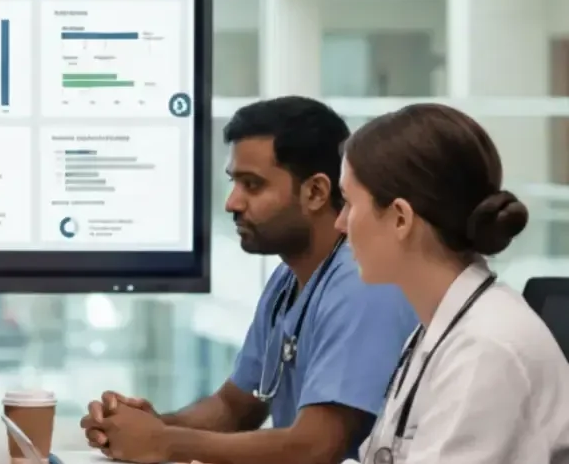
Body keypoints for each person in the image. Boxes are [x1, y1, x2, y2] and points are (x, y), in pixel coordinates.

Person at [81, 96, 419, 464]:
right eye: (234, 182)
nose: (232, 202)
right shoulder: (287, 281)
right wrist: (145, 426)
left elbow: (316, 447)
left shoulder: (362, 284)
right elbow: (233, 408)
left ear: (316, 192)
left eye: (252, 185)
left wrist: (165, 441)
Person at [340, 104, 569, 463]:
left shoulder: (486, 349)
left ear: (400, 219)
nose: (340, 224)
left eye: (348, 204)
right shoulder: (442, 326)